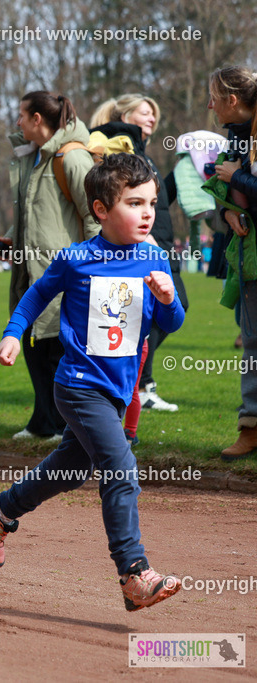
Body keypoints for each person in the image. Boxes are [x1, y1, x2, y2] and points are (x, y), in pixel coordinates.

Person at [0, 153, 184, 611]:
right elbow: (35, 295)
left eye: (151, 202)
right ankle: (134, 573)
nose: (148, 212)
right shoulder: (77, 258)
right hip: (77, 384)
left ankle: (2, 510)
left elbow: (172, 320)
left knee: (71, 471)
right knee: (120, 467)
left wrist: (169, 299)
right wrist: (14, 333)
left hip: (117, 390)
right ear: (100, 210)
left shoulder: (154, 256)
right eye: (135, 203)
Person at [3, 91, 100, 442]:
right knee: (32, 342)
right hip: (31, 268)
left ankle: (64, 426)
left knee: (58, 348)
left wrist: (92, 264)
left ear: (37, 120)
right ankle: (42, 421)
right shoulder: (33, 156)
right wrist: (13, 240)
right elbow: (36, 214)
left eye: (22, 115)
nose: (18, 122)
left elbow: (94, 215)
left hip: (63, 270)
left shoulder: (71, 158)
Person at [90, 94, 184, 413]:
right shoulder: (119, 149)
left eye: (154, 114)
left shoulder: (142, 153)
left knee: (166, 309)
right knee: (139, 316)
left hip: (159, 245)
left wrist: (184, 170)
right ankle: (136, 385)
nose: (152, 118)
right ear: (125, 114)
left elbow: (159, 197)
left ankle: (137, 384)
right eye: (145, 112)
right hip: (145, 247)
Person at [207, 67, 257, 461]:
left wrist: (238, 176)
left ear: (232, 100)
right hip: (250, 258)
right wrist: (225, 215)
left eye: (213, 96)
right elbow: (220, 194)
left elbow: (237, 180)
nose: (209, 104)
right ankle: (251, 428)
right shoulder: (235, 138)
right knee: (253, 343)